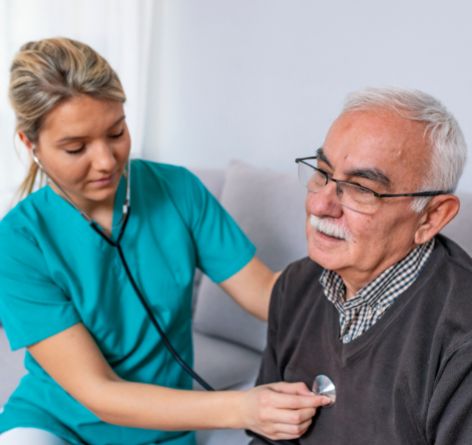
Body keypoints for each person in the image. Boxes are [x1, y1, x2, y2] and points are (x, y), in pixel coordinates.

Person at [0, 38, 330, 445]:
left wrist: (350, 268)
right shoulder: (17, 242)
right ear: (31, 146)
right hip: (54, 424)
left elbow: (264, 292)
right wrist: (243, 408)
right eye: (76, 147)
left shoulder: (179, 191)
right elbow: (99, 392)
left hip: (162, 430)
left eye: (116, 132)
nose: (105, 161)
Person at [250, 87, 472, 444]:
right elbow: (268, 436)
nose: (321, 206)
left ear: (431, 217)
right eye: (322, 172)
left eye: (361, 189)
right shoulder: (296, 284)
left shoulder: (461, 339)